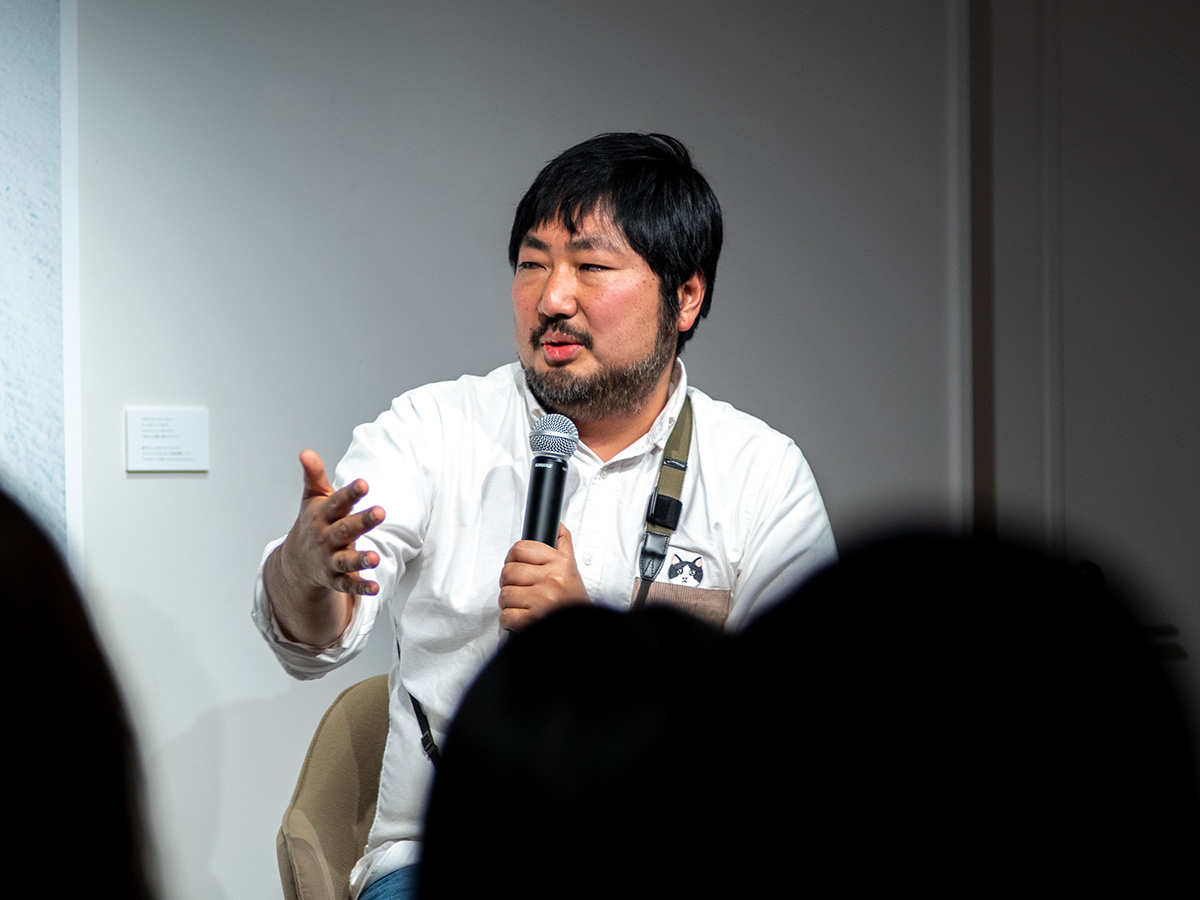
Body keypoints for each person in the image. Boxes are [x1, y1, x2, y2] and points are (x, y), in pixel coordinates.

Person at [253, 132, 837, 898]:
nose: (553, 299)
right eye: (533, 264)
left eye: (591, 267)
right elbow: (317, 638)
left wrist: (596, 646)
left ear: (686, 295)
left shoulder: (759, 473)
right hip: (447, 857)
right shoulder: (435, 429)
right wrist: (302, 570)